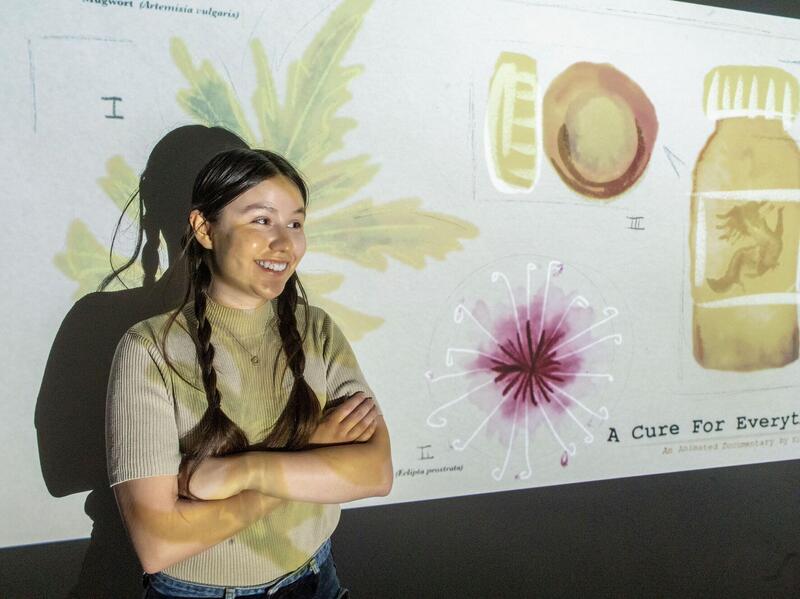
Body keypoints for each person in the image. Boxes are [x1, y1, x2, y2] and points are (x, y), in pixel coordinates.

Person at [105, 147, 393, 598]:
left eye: (295, 223)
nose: (285, 243)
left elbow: (375, 472)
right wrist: (310, 448)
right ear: (204, 228)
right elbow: (159, 542)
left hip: (317, 578)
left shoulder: (315, 328)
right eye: (261, 220)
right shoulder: (149, 349)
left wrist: (240, 472)